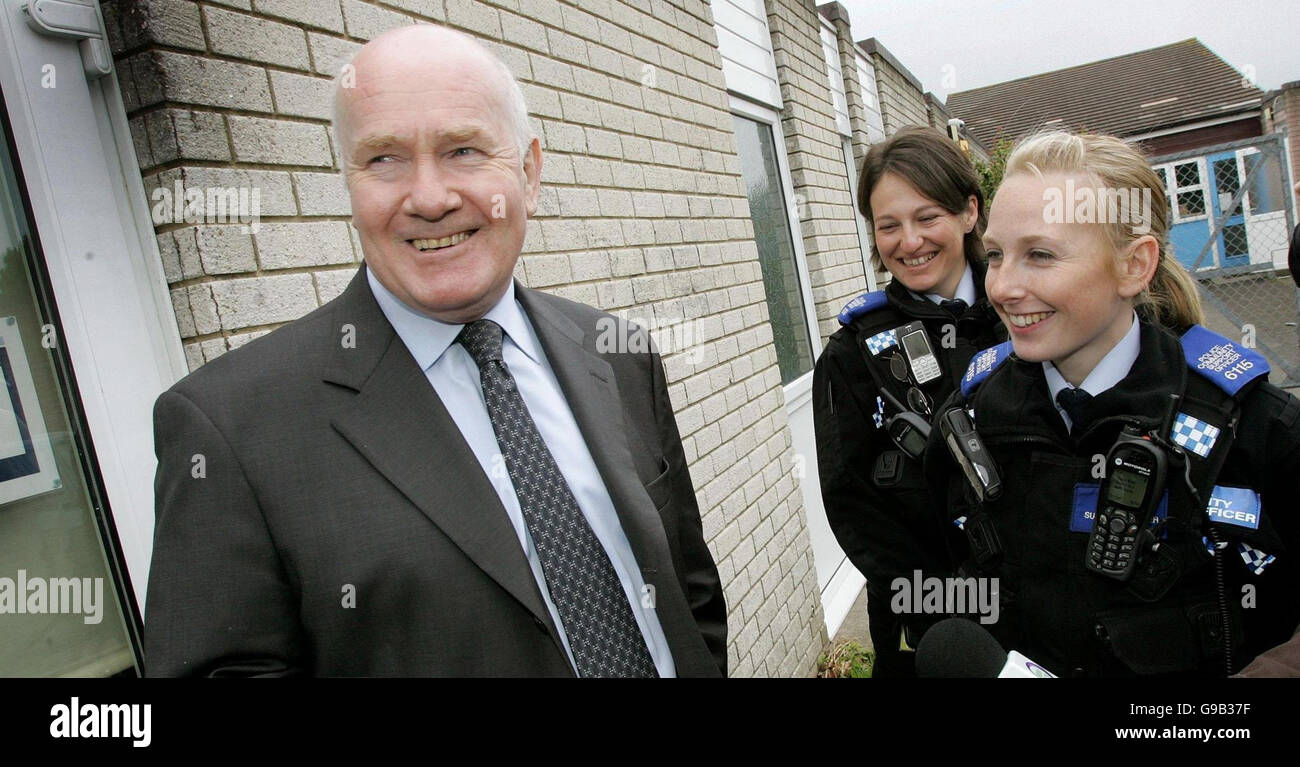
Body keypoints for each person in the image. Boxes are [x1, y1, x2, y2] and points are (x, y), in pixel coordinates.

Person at [143, 24, 726, 677]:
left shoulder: (617, 353)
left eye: (464, 150)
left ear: (529, 174)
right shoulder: (228, 431)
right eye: (384, 159)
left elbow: (690, 594)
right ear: (349, 185)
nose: (428, 197)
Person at [925, 130, 1300, 676]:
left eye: (1040, 255)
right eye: (998, 255)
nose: (1003, 287)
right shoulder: (971, 419)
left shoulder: (1255, 426)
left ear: (1134, 265)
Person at [813, 127, 1005, 676]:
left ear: (969, 212)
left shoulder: (1026, 308)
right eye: (888, 225)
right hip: (942, 627)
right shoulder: (853, 351)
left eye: (927, 218)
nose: (910, 241)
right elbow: (852, 505)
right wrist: (946, 607)